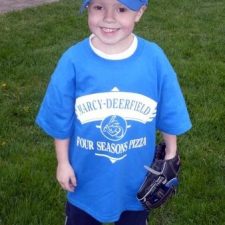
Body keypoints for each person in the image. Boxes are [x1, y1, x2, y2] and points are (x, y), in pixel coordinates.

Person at [35, 0, 192, 224]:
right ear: (87, 8)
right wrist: (63, 163)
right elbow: (60, 118)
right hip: (85, 178)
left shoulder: (153, 58)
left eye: (121, 9)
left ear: (139, 13)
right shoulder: (73, 60)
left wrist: (171, 152)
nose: (109, 17)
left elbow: (170, 108)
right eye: (99, 7)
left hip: (136, 178)